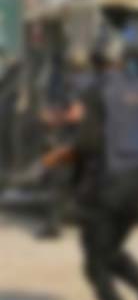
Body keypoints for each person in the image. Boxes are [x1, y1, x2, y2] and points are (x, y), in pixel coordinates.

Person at [30, 33, 138, 300]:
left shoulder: (96, 91)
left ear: (95, 61)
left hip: (108, 188)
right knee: (111, 251)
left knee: (94, 264)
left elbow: (86, 144)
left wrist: (53, 159)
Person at [36, 44, 95, 239]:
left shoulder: (73, 83)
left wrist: (52, 118)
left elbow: (75, 114)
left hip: (73, 139)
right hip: (93, 139)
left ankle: (53, 227)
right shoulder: (94, 81)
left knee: (58, 181)